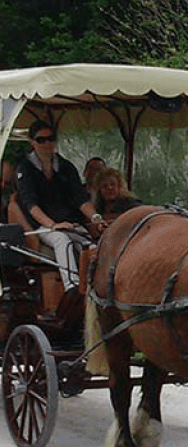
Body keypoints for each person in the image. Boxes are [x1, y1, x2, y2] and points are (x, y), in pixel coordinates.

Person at [15, 121, 107, 311]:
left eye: (51, 139)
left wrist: (96, 217)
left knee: (91, 245)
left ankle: (98, 288)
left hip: (71, 224)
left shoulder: (66, 167)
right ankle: (72, 289)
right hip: (43, 227)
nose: (48, 144)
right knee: (61, 240)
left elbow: (81, 199)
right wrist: (52, 224)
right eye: (42, 140)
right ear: (33, 142)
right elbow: (30, 205)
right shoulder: (25, 169)